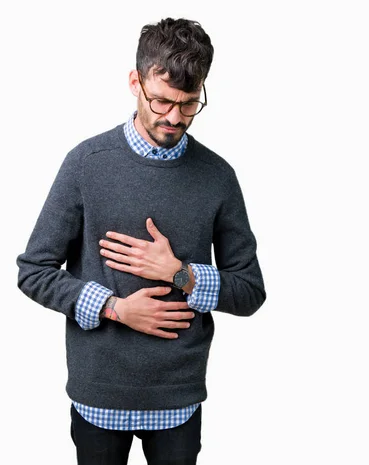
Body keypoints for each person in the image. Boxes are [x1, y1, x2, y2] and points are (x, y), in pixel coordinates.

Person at [16, 17, 266, 465]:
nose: (174, 118)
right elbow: (33, 271)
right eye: (162, 101)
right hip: (99, 393)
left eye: (189, 105)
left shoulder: (218, 177)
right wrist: (115, 308)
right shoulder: (86, 164)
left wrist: (179, 273)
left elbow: (249, 292)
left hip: (178, 397)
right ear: (136, 81)